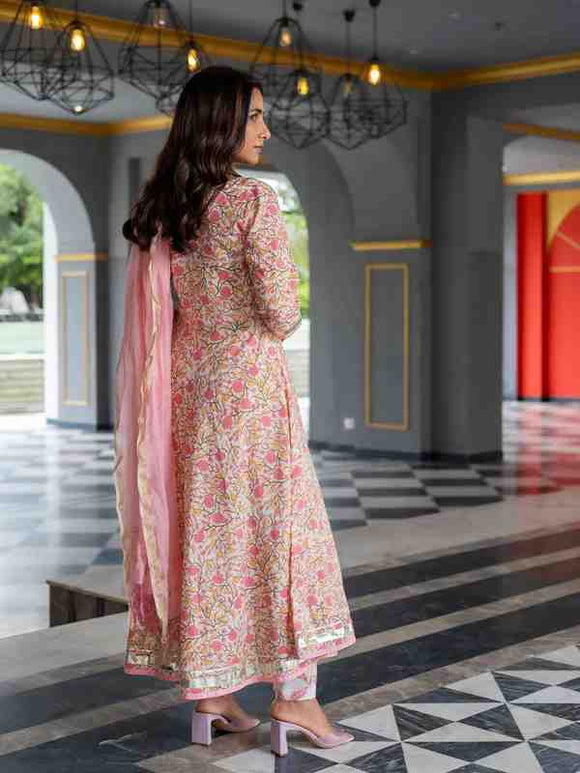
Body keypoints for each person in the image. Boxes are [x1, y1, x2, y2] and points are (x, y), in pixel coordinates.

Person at [114, 65, 355, 757]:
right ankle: (296, 697)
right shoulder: (252, 201)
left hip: (188, 390)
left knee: (210, 537)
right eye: (254, 116)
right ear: (220, 123)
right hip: (248, 390)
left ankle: (213, 695)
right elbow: (281, 312)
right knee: (284, 534)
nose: (265, 129)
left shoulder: (166, 206)